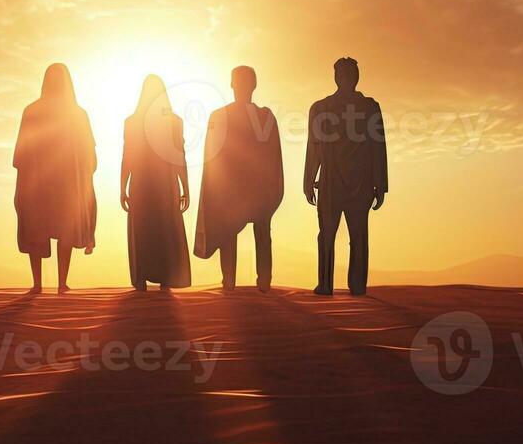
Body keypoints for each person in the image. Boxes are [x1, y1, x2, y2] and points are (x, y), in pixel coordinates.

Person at [193, 66, 283, 292]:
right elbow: (212, 158)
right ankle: (244, 283)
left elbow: (273, 156)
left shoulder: (261, 116)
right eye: (238, 82)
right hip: (238, 190)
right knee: (238, 235)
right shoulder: (225, 116)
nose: (240, 86)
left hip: (250, 190)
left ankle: (253, 284)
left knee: (252, 234)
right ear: (233, 84)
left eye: (243, 82)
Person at [304, 57, 387, 296]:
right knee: (355, 236)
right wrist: (379, 184)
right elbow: (377, 149)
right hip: (358, 183)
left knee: (331, 235)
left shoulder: (321, 108)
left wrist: (309, 180)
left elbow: (315, 148)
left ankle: (327, 284)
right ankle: (356, 285)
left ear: (336, 77)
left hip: (333, 183)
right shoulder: (369, 107)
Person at [13, 63, 98, 294]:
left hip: (62, 182)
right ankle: (42, 283)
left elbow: (88, 150)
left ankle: (57, 283)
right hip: (43, 181)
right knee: (40, 230)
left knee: (63, 229)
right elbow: (22, 151)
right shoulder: (35, 111)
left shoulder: (76, 114)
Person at [121, 75, 192, 292]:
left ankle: (141, 279)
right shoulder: (174, 121)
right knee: (164, 230)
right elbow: (179, 157)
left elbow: (127, 157)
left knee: (142, 230)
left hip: (141, 182)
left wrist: (122, 186)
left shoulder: (132, 122)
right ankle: (165, 280)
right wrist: (185, 187)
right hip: (165, 184)